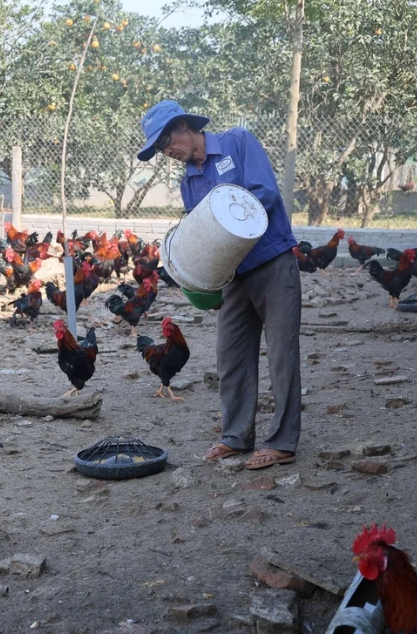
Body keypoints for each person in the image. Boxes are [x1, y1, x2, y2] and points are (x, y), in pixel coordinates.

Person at [137, 100, 301, 470]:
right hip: (233, 277)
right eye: (161, 150)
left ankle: (282, 442)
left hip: (272, 262)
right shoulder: (188, 182)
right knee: (231, 357)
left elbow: (266, 194)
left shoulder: (237, 143)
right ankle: (236, 436)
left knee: (281, 355)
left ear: (183, 127)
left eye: (166, 142)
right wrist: (203, 281)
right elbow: (201, 238)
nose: (167, 152)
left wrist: (225, 223)